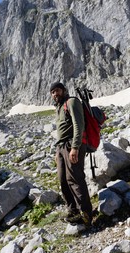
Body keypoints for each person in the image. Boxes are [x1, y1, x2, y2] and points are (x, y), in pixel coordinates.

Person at [50, 82, 93, 227]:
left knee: (75, 179)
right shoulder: (59, 107)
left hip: (72, 145)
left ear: (63, 90)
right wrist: (58, 153)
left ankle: (86, 215)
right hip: (61, 147)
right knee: (63, 180)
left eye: (57, 90)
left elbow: (78, 125)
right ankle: (73, 210)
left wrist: (75, 147)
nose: (55, 94)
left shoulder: (72, 102)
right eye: (52, 92)